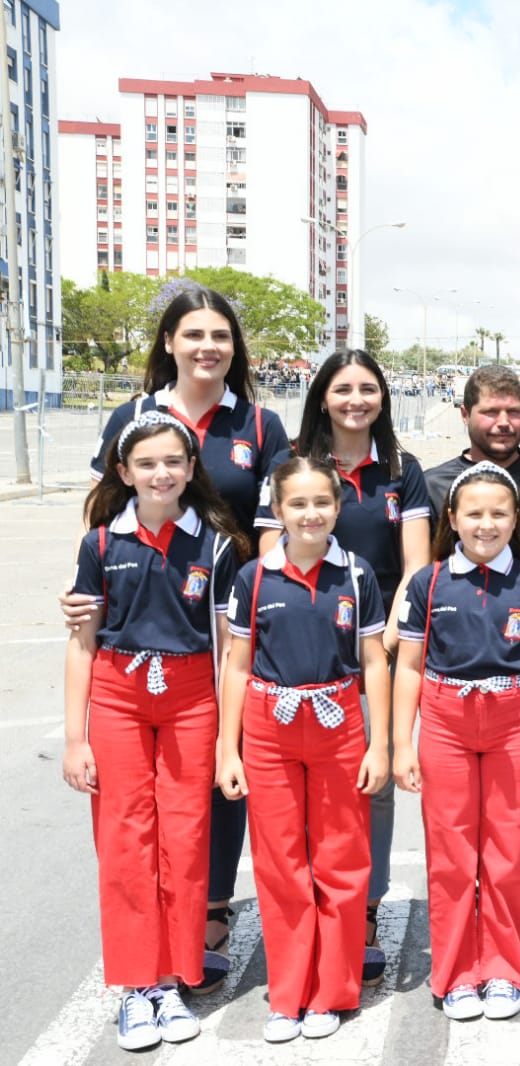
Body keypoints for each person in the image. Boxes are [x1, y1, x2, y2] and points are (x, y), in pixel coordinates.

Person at [63, 285, 292, 993]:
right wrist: (89, 593)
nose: (206, 347)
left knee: (214, 787)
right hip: (139, 626)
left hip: (226, 616)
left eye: (220, 336)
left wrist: (269, 602)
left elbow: (273, 525)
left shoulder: (259, 422)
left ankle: (209, 914)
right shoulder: (133, 417)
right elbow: (104, 508)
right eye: (192, 334)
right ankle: (147, 955)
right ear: (168, 342)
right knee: (138, 817)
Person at [62, 412, 248, 1051]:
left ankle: (171, 980)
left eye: (174, 461)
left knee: (185, 838)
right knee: (124, 840)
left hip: (192, 696)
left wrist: (228, 743)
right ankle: (135, 987)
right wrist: (74, 737)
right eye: (146, 463)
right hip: (118, 697)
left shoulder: (217, 544)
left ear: (192, 470)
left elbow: (229, 652)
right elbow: (82, 644)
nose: (161, 473)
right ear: (123, 472)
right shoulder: (100, 543)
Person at [390, 462, 520, 1023]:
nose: (487, 525)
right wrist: (401, 745)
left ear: (516, 518)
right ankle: (456, 971)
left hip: (511, 725)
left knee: (507, 849)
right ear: (452, 518)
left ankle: (505, 967)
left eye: (499, 513)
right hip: (445, 723)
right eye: (474, 513)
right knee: (453, 854)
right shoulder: (428, 582)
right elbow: (408, 667)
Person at [256, 350, 430, 987]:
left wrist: (382, 638)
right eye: (342, 388)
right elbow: (271, 554)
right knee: (300, 798)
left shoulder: (401, 469)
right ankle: (306, 915)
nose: (356, 399)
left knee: (370, 787)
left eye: (368, 389)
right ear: (322, 396)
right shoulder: (292, 465)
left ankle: (364, 910)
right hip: (302, 654)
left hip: (373, 650)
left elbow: (414, 565)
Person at [216, 457, 392, 1042]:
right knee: (280, 861)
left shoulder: (358, 575)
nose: (311, 513)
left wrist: (380, 744)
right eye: (297, 503)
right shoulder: (254, 577)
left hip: (339, 721)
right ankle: (288, 992)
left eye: (323, 502)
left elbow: (374, 661)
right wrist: (228, 750)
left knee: (341, 858)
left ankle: (332, 990)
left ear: (338, 508)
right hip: (269, 726)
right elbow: (236, 664)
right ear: (278, 510)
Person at [422, 364, 520, 580]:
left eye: (514, 412)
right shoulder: (434, 484)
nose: (504, 423)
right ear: (465, 414)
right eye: (491, 412)